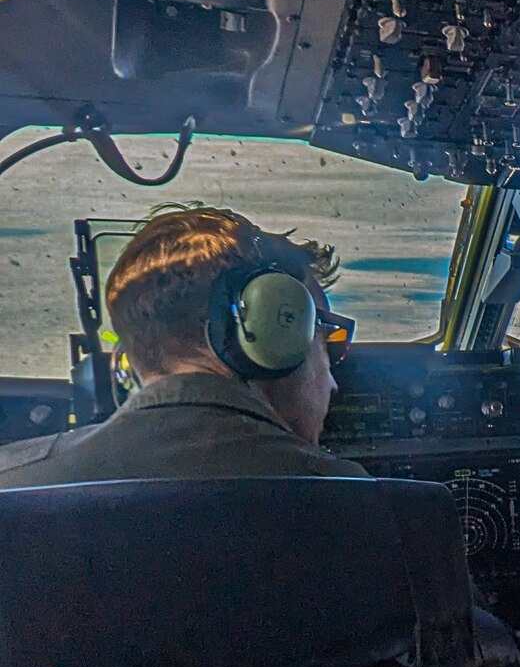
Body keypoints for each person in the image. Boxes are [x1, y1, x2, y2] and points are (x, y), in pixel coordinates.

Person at [0, 203, 364, 486]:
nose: (332, 381)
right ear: (277, 334)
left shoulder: (11, 488)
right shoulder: (371, 508)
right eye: (324, 336)